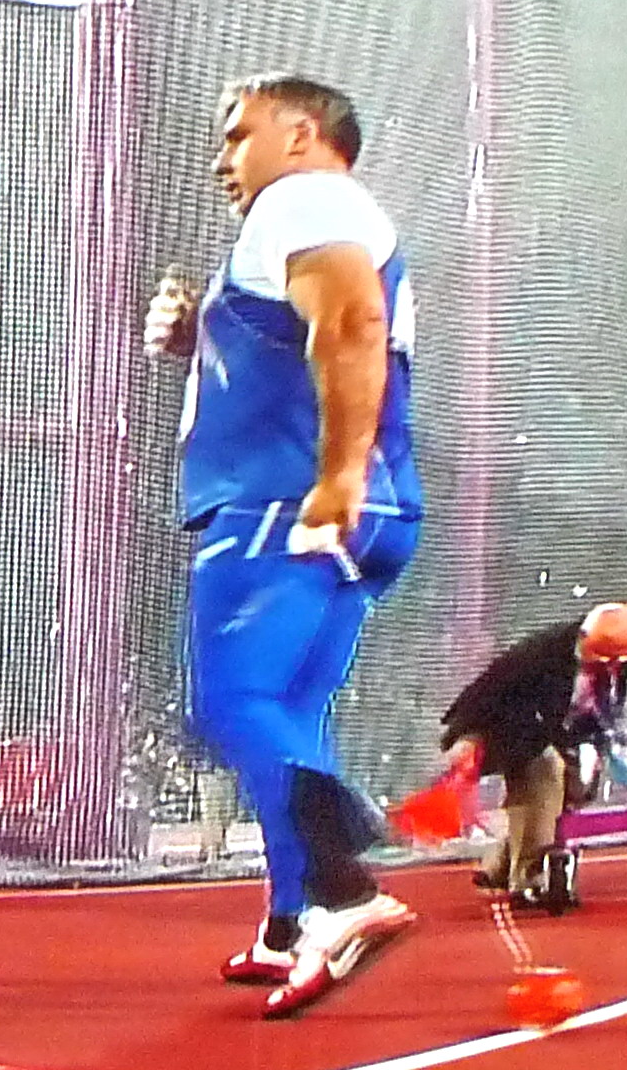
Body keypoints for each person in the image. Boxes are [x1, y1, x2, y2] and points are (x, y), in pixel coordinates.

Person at [146, 75, 424, 1019]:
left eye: (238, 136)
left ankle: (346, 893)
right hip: (352, 503)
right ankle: (290, 916)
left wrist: (335, 476)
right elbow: (309, 330)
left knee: (232, 701)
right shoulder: (326, 217)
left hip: (284, 503)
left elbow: (350, 322)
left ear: (301, 135)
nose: (222, 159)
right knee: (289, 712)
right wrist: (204, 334)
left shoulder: (300, 200)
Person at [438, 601, 627, 907]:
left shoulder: (619, 659)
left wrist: (606, 746)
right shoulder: (540, 655)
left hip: (555, 731)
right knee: (545, 775)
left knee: (579, 785)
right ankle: (529, 878)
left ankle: (500, 863)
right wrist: (468, 741)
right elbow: (486, 695)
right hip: (503, 729)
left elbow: (596, 714)